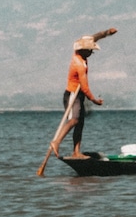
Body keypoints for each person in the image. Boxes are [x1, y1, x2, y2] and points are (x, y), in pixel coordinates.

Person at [38, 28, 117, 173]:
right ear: (83, 50)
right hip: (72, 95)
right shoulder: (79, 64)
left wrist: (107, 33)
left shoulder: (80, 54)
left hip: (78, 96)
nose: (92, 53)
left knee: (80, 123)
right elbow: (85, 87)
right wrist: (94, 100)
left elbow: (94, 37)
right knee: (74, 120)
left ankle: (76, 152)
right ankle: (56, 142)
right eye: (90, 51)